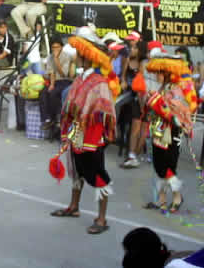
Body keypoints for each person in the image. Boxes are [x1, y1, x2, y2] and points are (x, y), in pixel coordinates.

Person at [51, 31, 120, 235]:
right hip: (77, 132)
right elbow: (73, 103)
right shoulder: (82, 77)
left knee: (97, 175)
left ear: (87, 56)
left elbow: (105, 109)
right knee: (77, 170)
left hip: (92, 136)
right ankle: (74, 207)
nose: (76, 55)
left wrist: (80, 113)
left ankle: (102, 218)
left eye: (79, 53)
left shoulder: (99, 81)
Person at [143, 52, 194, 213]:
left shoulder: (176, 90)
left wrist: (156, 102)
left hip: (171, 133)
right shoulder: (162, 87)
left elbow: (175, 114)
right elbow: (156, 110)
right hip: (158, 132)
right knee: (159, 166)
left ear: (167, 73)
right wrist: (150, 102)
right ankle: (162, 199)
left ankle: (177, 196)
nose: (157, 75)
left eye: (160, 72)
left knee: (168, 166)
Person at [120, 31, 147, 168]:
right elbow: (123, 76)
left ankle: (133, 154)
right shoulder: (128, 60)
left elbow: (142, 84)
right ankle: (133, 155)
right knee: (139, 127)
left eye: (135, 47)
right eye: (132, 47)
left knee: (140, 127)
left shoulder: (143, 63)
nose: (132, 49)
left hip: (141, 97)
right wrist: (123, 81)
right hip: (132, 95)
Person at [40, 34, 76, 130]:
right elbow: (50, 72)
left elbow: (63, 73)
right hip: (54, 80)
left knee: (54, 93)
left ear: (61, 47)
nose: (55, 49)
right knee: (43, 92)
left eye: (57, 47)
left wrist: (56, 59)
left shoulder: (66, 57)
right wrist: (51, 83)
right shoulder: (50, 57)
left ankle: (56, 118)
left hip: (65, 81)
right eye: (53, 47)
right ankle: (47, 119)